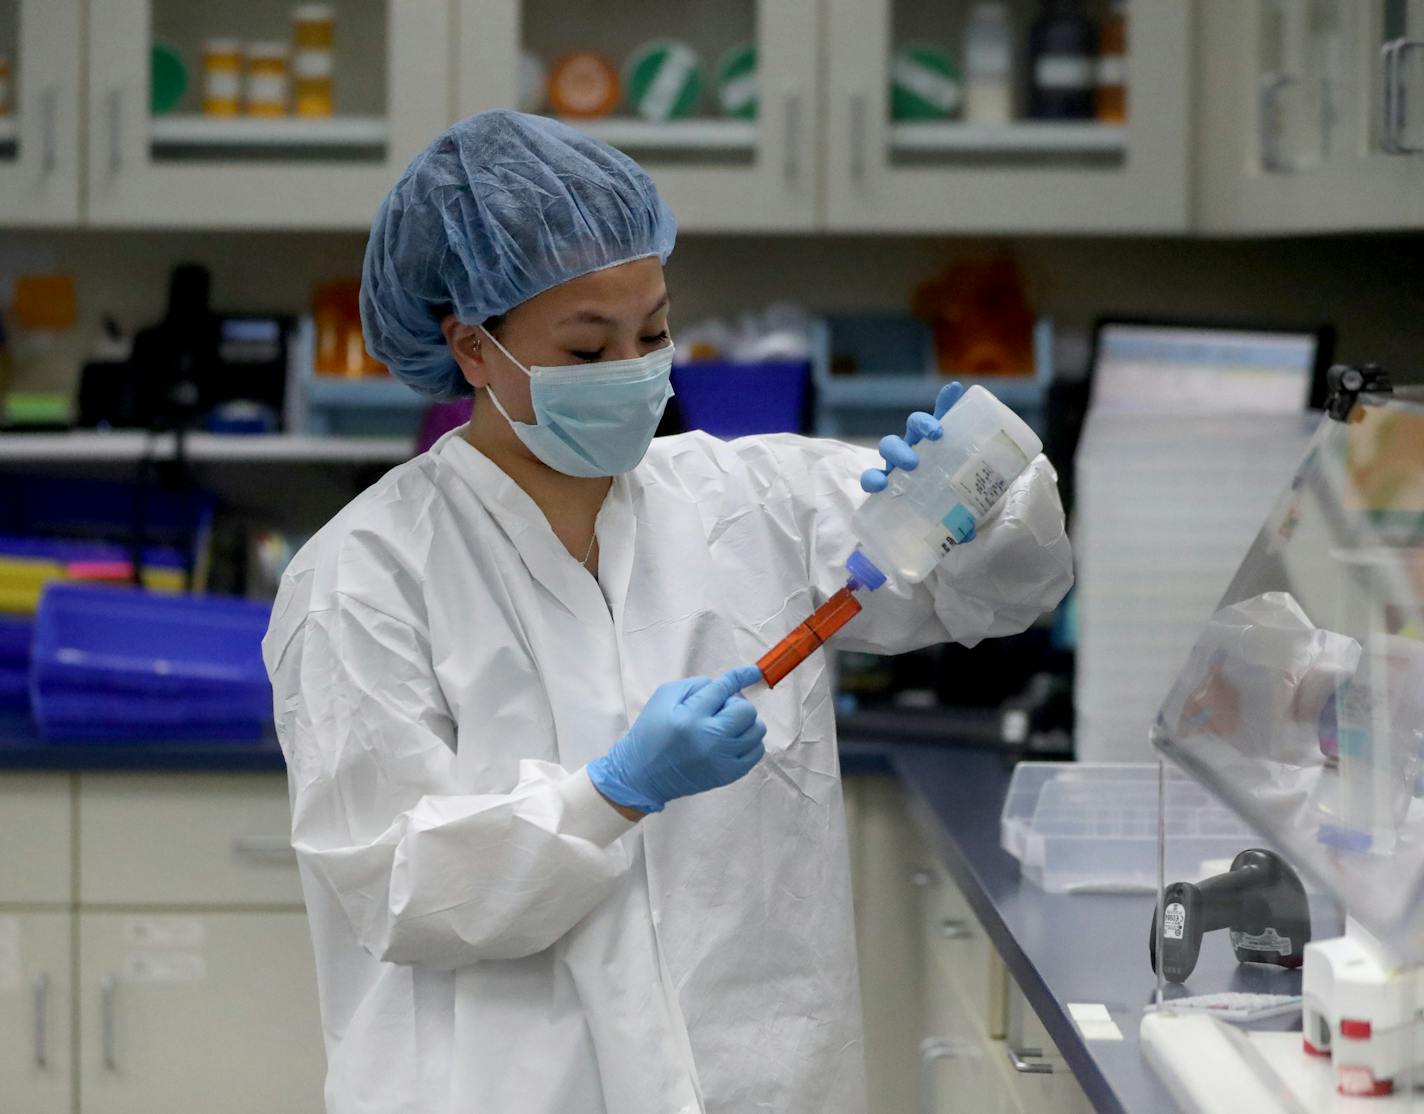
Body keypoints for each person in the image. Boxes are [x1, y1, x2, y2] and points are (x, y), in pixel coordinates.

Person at [263, 109, 1073, 1114]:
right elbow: (397, 886)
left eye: (651, 331)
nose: (637, 369)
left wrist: (980, 496)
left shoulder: (750, 499)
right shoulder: (366, 576)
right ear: (472, 348)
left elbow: (1004, 589)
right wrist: (609, 792)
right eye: (589, 345)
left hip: (759, 1081)